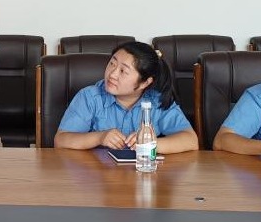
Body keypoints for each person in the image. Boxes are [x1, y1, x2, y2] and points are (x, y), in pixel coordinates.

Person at [54, 41, 199, 153]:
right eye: (112, 63)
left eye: (123, 71)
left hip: (143, 175)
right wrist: (100, 137)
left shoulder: (157, 101)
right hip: (98, 176)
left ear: (145, 82)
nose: (112, 74)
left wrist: (150, 143)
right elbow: (61, 140)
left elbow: (191, 141)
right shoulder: (90, 97)